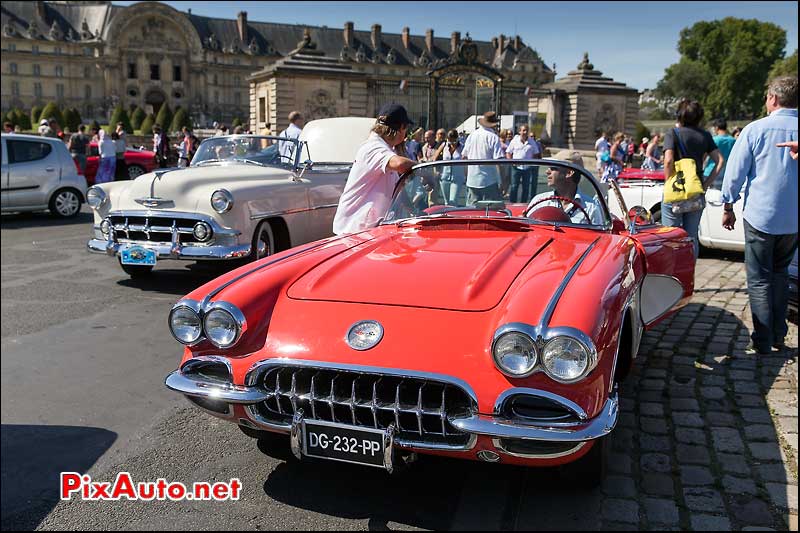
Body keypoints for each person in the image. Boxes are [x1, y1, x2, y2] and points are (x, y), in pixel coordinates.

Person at [721, 76, 798, 355]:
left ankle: (764, 338)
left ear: (773, 98)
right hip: (793, 219)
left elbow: (735, 173)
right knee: (780, 275)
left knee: (759, 278)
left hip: (761, 216)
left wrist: (728, 205)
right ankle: (779, 333)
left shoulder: (756, 129)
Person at [332, 103, 415, 235]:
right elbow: (400, 164)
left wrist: (415, 211)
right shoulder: (373, 147)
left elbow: (398, 192)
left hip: (367, 230)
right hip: (353, 230)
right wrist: (424, 172)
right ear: (401, 128)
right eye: (406, 129)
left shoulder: (385, 149)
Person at [662, 99, 723, 259]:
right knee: (691, 236)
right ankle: (688, 273)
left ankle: (671, 276)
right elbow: (719, 161)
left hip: (675, 189)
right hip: (696, 189)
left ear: (680, 115)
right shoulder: (705, 135)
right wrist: (706, 184)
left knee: (670, 235)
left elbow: (668, 161)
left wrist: (669, 182)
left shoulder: (672, 134)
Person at [526, 150, 602, 225]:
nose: (547, 171)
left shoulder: (591, 207)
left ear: (569, 173)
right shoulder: (539, 201)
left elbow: (599, 235)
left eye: (553, 168)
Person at [461, 111, 505, 204]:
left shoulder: (472, 135)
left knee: (471, 213)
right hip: (489, 181)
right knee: (490, 213)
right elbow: (498, 161)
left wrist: (467, 176)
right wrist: (502, 181)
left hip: (472, 180)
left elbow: (464, 157)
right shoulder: (493, 137)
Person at [506, 124, 539, 203]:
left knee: (526, 188)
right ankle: (512, 204)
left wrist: (532, 162)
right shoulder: (514, 141)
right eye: (523, 130)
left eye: (526, 130)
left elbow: (536, 153)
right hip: (516, 167)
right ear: (519, 131)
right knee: (514, 187)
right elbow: (508, 152)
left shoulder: (532, 142)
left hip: (527, 168)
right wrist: (511, 162)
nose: (525, 132)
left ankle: (523, 205)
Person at [437, 129, 465, 206]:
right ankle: (447, 216)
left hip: (457, 178)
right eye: (450, 140)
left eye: (453, 140)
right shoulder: (444, 145)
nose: (452, 142)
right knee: (446, 202)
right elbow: (434, 158)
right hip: (445, 177)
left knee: (453, 201)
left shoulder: (462, 147)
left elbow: (466, 160)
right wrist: (437, 171)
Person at [703, 118, 735, 183]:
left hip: (711, 171)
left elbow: (704, 155)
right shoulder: (733, 140)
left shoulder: (714, 140)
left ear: (716, 128)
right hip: (727, 172)